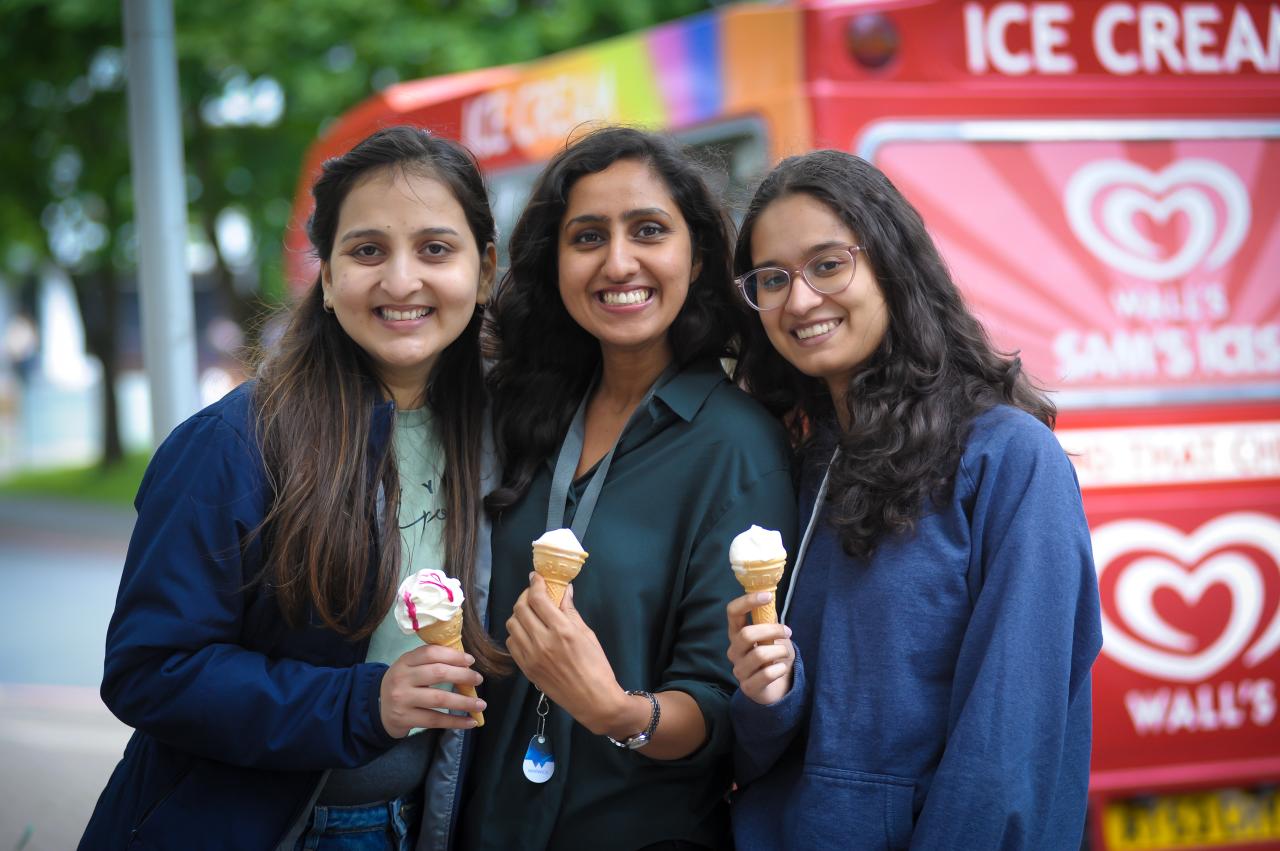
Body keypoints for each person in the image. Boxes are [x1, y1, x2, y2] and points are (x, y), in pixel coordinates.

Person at [79, 126, 501, 850]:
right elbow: (150, 670)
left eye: (435, 248)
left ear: (484, 270)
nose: (401, 280)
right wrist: (362, 701)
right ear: (328, 278)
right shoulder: (232, 443)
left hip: (424, 822)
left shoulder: (501, 433)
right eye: (367, 251)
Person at [724, 150, 1102, 850]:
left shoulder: (1011, 459)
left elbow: (1006, 750)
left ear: (893, 262)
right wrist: (769, 694)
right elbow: (767, 747)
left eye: (828, 263)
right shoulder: (796, 461)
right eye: (772, 278)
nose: (799, 299)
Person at [456, 126, 797, 850]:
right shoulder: (523, 414)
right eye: (587, 237)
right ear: (555, 261)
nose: (618, 262)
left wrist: (612, 707)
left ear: (696, 254)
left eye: (648, 230)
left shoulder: (738, 447)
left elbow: (722, 705)